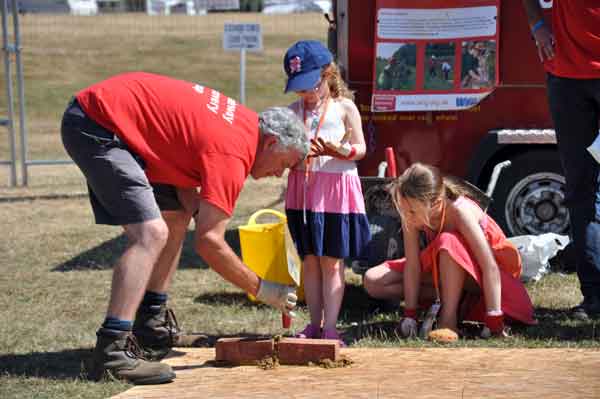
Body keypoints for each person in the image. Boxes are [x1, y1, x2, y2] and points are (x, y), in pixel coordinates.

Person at [61, 72, 308, 384]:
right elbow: (209, 243)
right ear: (271, 142)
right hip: (98, 124)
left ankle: (151, 324)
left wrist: (199, 213)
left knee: (175, 218)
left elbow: (188, 193)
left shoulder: (242, 128)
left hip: (116, 121)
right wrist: (262, 289)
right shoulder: (234, 150)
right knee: (151, 233)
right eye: (284, 165)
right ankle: (112, 350)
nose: (278, 175)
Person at [363, 163, 536, 340]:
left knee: (448, 241)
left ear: (436, 203)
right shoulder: (412, 214)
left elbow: (489, 266)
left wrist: (494, 318)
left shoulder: (460, 211)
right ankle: (455, 299)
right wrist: (410, 315)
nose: (407, 217)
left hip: (489, 280)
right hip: (447, 272)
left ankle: (448, 319)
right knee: (374, 280)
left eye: (412, 212)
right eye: (404, 210)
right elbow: (413, 265)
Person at [282, 40, 371, 344]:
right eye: (299, 88)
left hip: (335, 193)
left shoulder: (345, 108)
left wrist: (340, 150)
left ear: (327, 74)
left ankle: (330, 327)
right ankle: (313, 324)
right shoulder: (292, 112)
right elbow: (281, 153)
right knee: (310, 259)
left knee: (331, 261)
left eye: (310, 85)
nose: (305, 94)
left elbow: (361, 149)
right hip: (303, 195)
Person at [522, 0, 600, 319]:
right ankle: (594, 297)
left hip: (568, 79)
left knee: (582, 192)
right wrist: (537, 26)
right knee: (582, 191)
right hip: (568, 79)